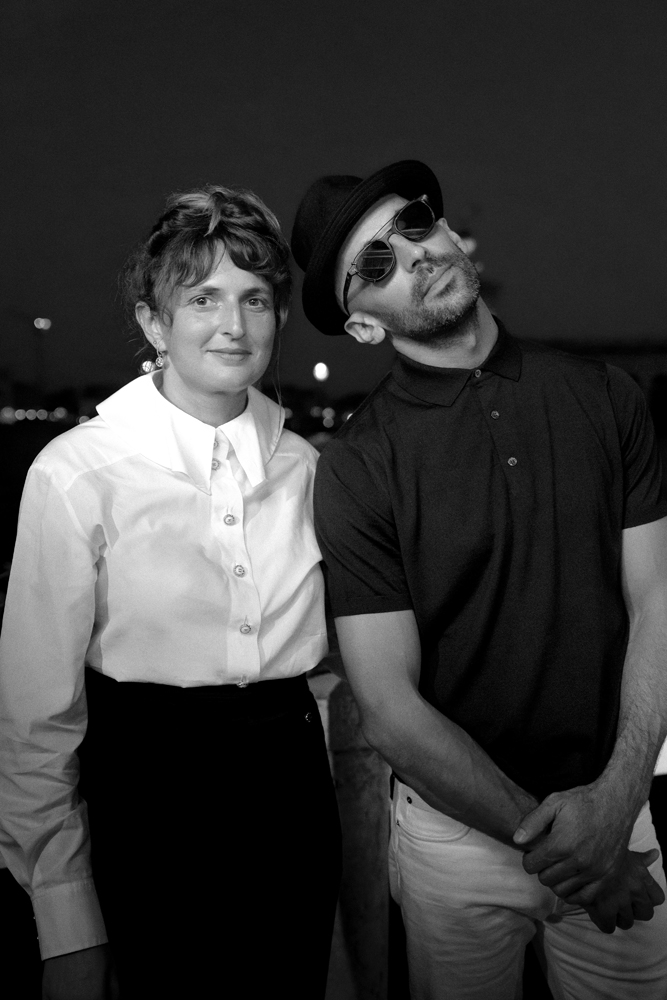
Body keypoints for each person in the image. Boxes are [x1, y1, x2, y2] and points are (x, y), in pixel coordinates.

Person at [290, 160, 667, 999]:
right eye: (376, 264)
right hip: (455, 848)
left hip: (619, 807)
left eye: (414, 223)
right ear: (360, 327)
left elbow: (658, 602)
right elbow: (387, 707)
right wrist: (569, 853)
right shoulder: (358, 464)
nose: (412, 255)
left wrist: (613, 803)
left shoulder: (606, 395)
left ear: (452, 231)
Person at [0, 185, 341, 1000]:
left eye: (255, 299)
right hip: (148, 796)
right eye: (203, 299)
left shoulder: (307, 469)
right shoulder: (78, 472)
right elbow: (36, 719)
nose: (234, 324)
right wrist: (64, 918)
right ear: (155, 324)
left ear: (279, 318)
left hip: (291, 790)